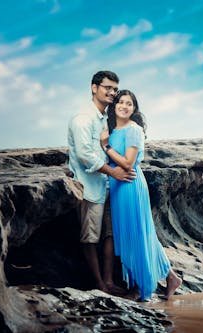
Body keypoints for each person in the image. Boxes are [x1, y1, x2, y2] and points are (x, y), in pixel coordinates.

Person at [100, 89, 182, 301]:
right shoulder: (112, 130)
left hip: (131, 186)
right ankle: (171, 277)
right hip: (117, 188)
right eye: (121, 102)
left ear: (134, 108)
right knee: (134, 235)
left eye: (130, 104)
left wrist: (106, 147)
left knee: (137, 236)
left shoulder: (133, 130)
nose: (125, 106)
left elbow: (128, 163)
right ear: (114, 105)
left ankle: (139, 287)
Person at [67, 70, 135, 295]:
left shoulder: (105, 117)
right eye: (108, 87)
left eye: (115, 89)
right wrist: (113, 173)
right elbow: (85, 154)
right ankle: (99, 283)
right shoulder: (83, 118)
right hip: (89, 186)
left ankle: (109, 281)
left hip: (109, 186)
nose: (112, 93)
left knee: (110, 234)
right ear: (94, 88)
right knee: (90, 236)